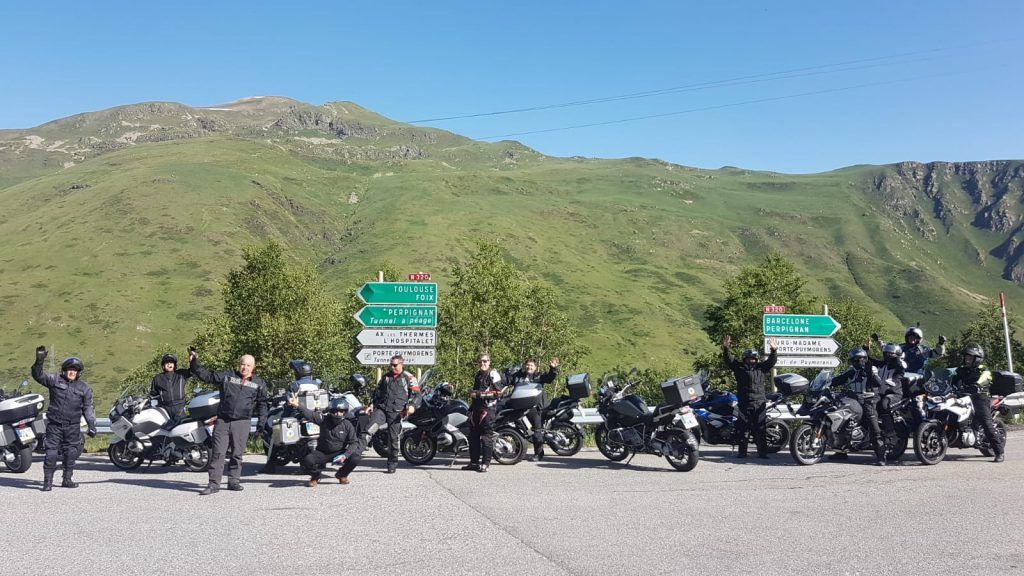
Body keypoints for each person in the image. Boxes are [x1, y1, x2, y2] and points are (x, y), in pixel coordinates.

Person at [189, 349, 269, 495]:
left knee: (237, 454)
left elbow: (263, 404)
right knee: (218, 453)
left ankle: (233, 481)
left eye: (248, 365)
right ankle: (214, 484)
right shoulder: (227, 376)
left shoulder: (259, 383)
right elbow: (207, 376)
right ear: (239, 364)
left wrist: (261, 424)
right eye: (243, 364)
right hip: (223, 421)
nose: (245, 368)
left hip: (242, 422)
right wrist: (194, 362)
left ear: (253, 367)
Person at [31, 347, 97, 491]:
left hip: (73, 427)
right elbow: (38, 375)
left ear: (78, 372)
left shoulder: (84, 388)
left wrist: (91, 424)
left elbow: (88, 408)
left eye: (75, 370)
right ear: (64, 370)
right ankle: (47, 482)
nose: (72, 372)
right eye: (69, 369)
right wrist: (39, 361)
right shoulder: (55, 380)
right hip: (54, 425)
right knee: (51, 454)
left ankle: (67, 479)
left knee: (71, 454)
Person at [722, 335, 777, 459]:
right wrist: (726, 348)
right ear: (744, 359)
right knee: (743, 429)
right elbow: (729, 360)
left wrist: (773, 350)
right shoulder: (739, 368)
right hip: (744, 403)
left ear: (756, 359)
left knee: (760, 429)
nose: (751, 361)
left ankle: (762, 453)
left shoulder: (761, 368)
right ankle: (742, 452)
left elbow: (771, 361)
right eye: (748, 359)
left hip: (759, 403)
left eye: (753, 359)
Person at [290, 394, 362, 487]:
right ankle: (315, 476)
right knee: (307, 460)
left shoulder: (347, 424)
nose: (338, 413)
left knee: (355, 458)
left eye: (341, 411)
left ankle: (342, 475)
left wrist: (345, 455)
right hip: (322, 452)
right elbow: (310, 414)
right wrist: (297, 405)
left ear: (345, 412)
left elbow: (354, 442)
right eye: (335, 411)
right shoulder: (323, 420)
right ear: (330, 411)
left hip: (339, 453)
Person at [831, 348, 886, 466]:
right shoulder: (851, 370)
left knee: (874, 426)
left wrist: (869, 372)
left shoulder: (871, 368)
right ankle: (840, 451)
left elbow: (878, 382)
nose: (858, 362)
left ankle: (881, 456)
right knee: (842, 421)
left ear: (865, 359)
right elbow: (840, 379)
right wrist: (828, 383)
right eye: (855, 360)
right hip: (855, 399)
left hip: (869, 399)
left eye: (860, 359)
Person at [365, 355, 419, 474]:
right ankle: (356, 452)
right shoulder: (386, 377)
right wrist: (371, 405)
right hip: (383, 409)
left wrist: (412, 405)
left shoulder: (409, 377)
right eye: (391, 365)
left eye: (395, 365)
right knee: (370, 429)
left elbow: (416, 394)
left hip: (397, 412)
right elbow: (377, 393)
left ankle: (392, 463)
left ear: (401, 364)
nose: (392, 367)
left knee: (393, 438)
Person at [951, 344, 1005, 463]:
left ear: (977, 359)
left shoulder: (983, 370)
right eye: (966, 357)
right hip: (963, 396)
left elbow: (985, 378)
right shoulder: (960, 370)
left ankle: (999, 452)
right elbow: (952, 380)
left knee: (986, 423)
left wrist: (978, 385)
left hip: (980, 397)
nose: (967, 359)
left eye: (970, 357)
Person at [508, 357, 560, 461]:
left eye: (531, 365)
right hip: (520, 408)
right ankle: (518, 450)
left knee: (537, 431)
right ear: (524, 366)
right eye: (527, 365)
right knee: (518, 429)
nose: (529, 367)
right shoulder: (518, 376)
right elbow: (507, 381)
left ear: (535, 367)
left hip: (534, 408)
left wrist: (553, 369)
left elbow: (549, 378)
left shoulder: (538, 376)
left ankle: (538, 454)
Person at [463, 353, 504, 472]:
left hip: (487, 410)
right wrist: (470, 409)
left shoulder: (493, 374)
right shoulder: (478, 375)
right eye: (480, 361)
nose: (483, 363)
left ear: (489, 362)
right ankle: (474, 463)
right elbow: (475, 393)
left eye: (485, 361)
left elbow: (499, 393)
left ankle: (485, 464)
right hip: (476, 409)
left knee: (486, 437)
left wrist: (479, 395)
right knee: (473, 437)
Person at [864, 341, 905, 456]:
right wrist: (866, 350)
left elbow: (899, 373)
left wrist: (891, 382)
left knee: (884, 404)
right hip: (881, 393)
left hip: (894, 394)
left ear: (896, 355)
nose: (887, 356)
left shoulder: (900, 366)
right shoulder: (882, 365)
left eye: (890, 354)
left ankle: (890, 432)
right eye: (886, 353)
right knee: (868, 405)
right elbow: (869, 361)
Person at [874, 327, 945, 374]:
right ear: (907, 337)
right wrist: (878, 341)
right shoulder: (901, 347)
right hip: (901, 375)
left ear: (919, 339)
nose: (912, 339)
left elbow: (937, 354)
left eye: (915, 337)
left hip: (918, 377)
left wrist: (940, 345)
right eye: (910, 337)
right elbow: (888, 349)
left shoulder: (923, 349)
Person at [149, 353, 191, 427]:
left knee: (183, 428)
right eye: (167, 363)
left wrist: (192, 360)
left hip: (180, 407)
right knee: (165, 430)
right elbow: (153, 395)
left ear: (174, 365)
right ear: (163, 365)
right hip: (165, 409)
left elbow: (194, 370)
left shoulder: (181, 374)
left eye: (171, 362)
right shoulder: (157, 378)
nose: (169, 364)